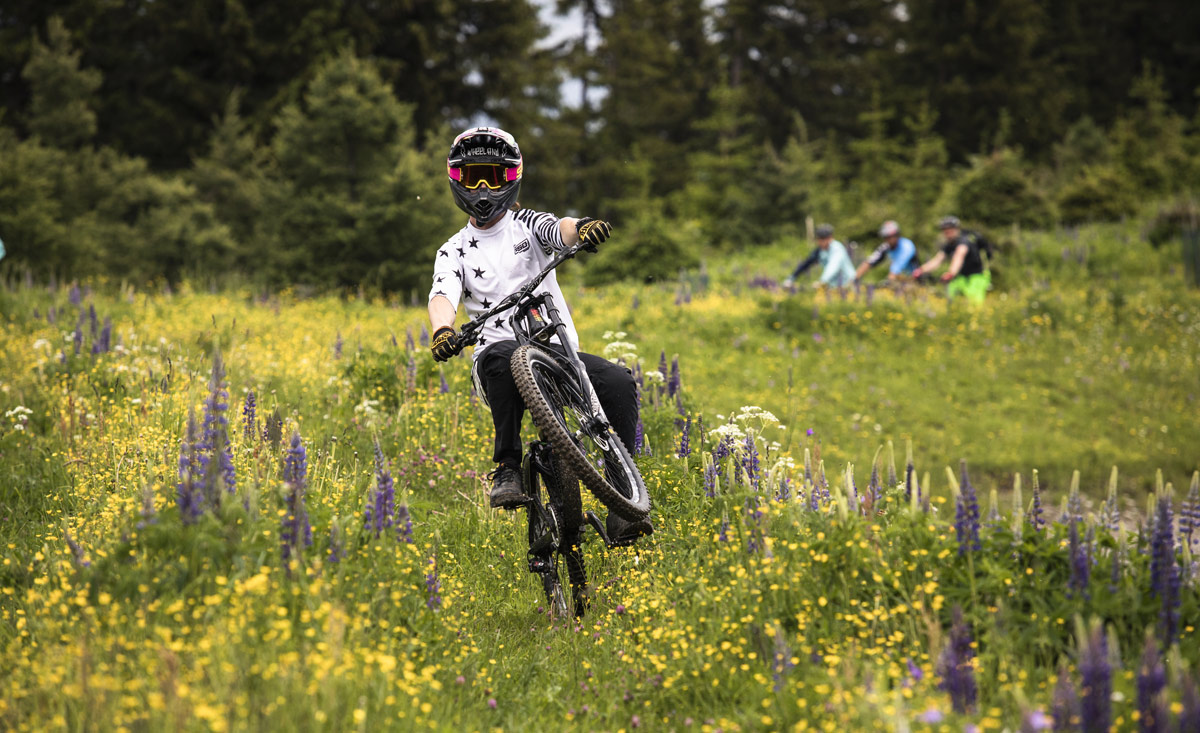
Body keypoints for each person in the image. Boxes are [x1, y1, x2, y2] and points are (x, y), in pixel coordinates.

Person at [426, 127, 651, 542]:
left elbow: (558, 228)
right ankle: (507, 467)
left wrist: (581, 228)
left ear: (510, 177)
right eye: (473, 176)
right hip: (497, 359)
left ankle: (624, 496)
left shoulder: (524, 224)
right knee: (502, 353)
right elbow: (442, 294)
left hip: (554, 352)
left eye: (492, 176)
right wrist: (443, 330)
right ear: (457, 179)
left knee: (618, 381)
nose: (482, 187)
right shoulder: (452, 249)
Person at [912, 216, 991, 303]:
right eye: (945, 232)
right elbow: (937, 260)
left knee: (975, 303)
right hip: (961, 276)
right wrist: (921, 270)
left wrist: (951, 273)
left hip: (977, 276)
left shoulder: (964, 242)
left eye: (950, 231)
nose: (948, 234)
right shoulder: (949, 245)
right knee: (951, 300)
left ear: (956, 229)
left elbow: (959, 256)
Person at [782, 223, 855, 289]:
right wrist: (790, 279)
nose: (820, 242)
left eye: (823, 239)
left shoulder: (837, 248)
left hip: (848, 284)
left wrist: (822, 281)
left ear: (830, 238)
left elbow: (833, 266)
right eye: (819, 239)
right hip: (833, 286)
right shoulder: (820, 250)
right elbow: (806, 264)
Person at [855, 220, 919, 281]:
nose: (888, 240)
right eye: (886, 237)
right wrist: (855, 279)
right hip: (900, 280)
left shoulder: (906, 246)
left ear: (897, 235)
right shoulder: (886, 246)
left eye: (890, 237)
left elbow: (896, 269)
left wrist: (888, 281)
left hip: (916, 280)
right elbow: (870, 261)